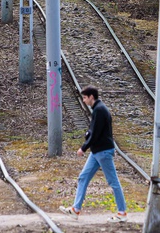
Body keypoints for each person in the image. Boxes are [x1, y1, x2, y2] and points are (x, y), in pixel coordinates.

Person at [59, 85, 128, 223]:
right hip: (97, 151)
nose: (84, 101)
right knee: (83, 177)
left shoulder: (99, 110)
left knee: (113, 181)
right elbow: (94, 131)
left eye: (85, 98)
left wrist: (83, 148)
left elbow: (95, 133)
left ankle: (122, 213)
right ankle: (75, 209)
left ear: (91, 97)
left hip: (103, 151)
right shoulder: (98, 109)